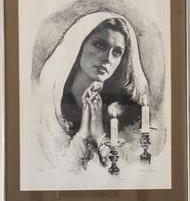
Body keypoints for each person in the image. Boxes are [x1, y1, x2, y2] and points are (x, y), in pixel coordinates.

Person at [33, 10, 153, 177]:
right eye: (100, 45)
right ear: (79, 45)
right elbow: (56, 173)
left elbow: (127, 176)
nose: (107, 58)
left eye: (117, 52)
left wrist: (98, 134)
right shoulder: (47, 105)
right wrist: (83, 134)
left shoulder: (127, 111)